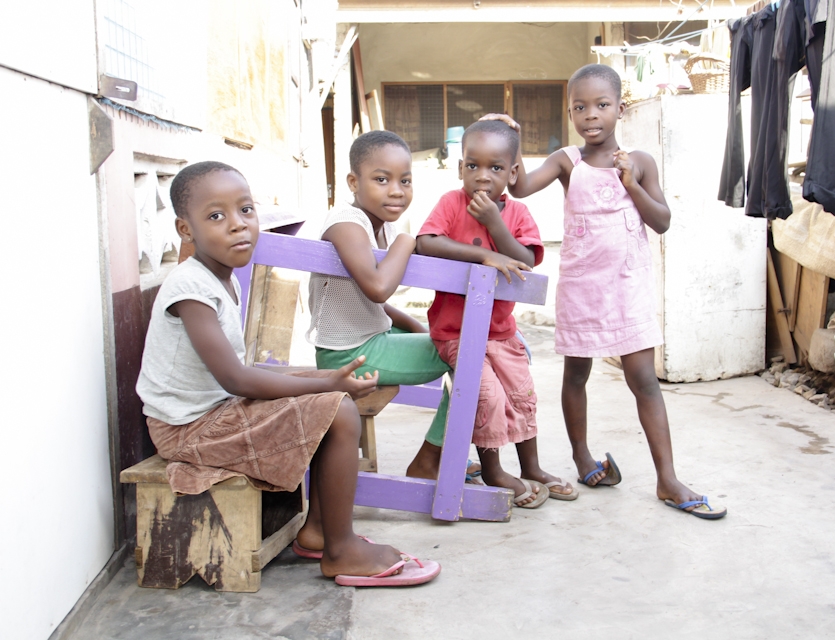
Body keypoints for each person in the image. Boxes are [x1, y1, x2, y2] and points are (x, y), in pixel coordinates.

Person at [136, 160, 441, 587]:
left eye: (246, 210)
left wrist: (326, 383)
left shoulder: (221, 278)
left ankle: (318, 531)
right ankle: (341, 550)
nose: (238, 224)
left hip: (213, 412)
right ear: (185, 230)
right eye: (216, 216)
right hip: (188, 430)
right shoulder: (190, 288)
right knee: (338, 409)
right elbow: (237, 380)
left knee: (331, 398)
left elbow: (239, 376)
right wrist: (326, 385)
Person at [481, 64, 726, 519]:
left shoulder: (640, 162)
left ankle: (667, 478)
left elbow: (662, 221)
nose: (590, 115)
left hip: (628, 288)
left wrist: (631, 183)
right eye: (580, 107)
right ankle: (582, 458)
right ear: (570, 112)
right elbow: (519, 186)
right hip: (582, 288)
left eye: (601, 105)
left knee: (644, 380)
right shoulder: (566, 161)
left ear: (620, 109)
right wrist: (509, 138)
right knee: (576, 374)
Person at [416, 120, 578, 508]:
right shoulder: (450, 204)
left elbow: (526, 260)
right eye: (473, 166)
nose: (483, 176)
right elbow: (426, 243)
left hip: (502, 331)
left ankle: (532, 467)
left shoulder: (518, 213)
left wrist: (494, 224)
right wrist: (484, 255)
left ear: (513, 172)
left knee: (522, 395)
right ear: (460, 168)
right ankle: (493, 470)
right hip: (455, 333)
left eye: (495, 168)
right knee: (486, 396)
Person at [305, 130, 479, 488]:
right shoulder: (346, 222)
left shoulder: (379, 225)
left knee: (467, 346)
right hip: (350, 354)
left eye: (405, 180)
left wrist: (418, 329)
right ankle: (431, 459)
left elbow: (376, 304)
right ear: (354, 182)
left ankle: (446, 451)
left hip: (369, 338)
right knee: (476, 354)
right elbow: (377, 287)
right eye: (382, 180)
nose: (397, 191)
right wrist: (406, 241)